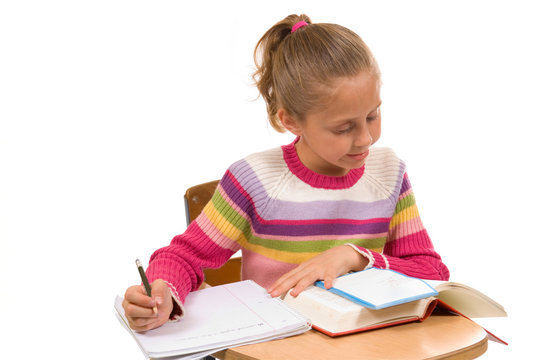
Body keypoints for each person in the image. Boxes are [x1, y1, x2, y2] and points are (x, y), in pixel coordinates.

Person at [122, 14, 450, 332]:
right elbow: (184, 256)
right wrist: (163, 291)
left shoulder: (389, 174)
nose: (365, 138)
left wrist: (354, 256)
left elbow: (432, 272)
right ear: (291, 121)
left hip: (366, 345)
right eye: (344, 127)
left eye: (373, 115)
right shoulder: (255, 180)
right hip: (278, 347)